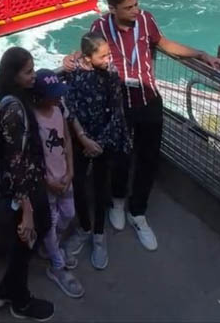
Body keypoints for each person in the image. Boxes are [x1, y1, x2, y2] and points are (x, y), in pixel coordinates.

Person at [63, 0, 220, 251]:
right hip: (119, 103)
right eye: (129, 7)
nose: (136, 10)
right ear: (113, 8)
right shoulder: (100, 28)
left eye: (136, 4)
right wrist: (70, 59)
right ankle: (117, 201)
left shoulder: (146, 20)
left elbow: (164, 43)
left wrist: (201, 53)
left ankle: (137, 212)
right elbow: (87, 52)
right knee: (121, 156)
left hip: (149, 99)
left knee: (149, 158)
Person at [0, 48, 54, 322]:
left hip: (24, 185)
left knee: (26, 239)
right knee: (26, 238)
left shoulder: (9, 98)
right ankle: (20, 300)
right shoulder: (14, 110)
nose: (33, 76)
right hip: (23, 189)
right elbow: (16, 161)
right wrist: (26, 209)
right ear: (14, 76)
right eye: (28, 72)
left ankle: (5, 290)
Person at [63, 34, 132, 270]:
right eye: (103, 56)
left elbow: (116, 111)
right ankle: (84, 228)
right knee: (80, 185)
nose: (108, 59)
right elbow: (69, 107)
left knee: (102, 186)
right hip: (82, 139)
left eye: (109, 54)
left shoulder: (111, 74)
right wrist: (83, 139)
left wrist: (98, 143)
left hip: (104, 139)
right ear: (88, 58)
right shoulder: (75, 74)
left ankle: (99, 235)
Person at [32, 70, 84, 300]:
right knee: (50, 223)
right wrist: (47, 181)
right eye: (53, 95)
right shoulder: (33, 119)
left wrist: (71, 170)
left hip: (64, 176)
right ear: (40, 96)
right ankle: (56, 265)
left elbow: (67, 140)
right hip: (48, 183)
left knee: (69, 214)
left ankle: (51, 247)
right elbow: (32, 157)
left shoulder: (58, 110)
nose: (57, 98)